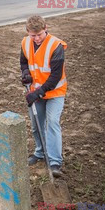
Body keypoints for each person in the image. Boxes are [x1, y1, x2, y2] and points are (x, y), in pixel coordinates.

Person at [19, 16, 67, 177]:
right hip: (36, 91)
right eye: (33, 35)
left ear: (46, 28)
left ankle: (54, 162)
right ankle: (40, 152)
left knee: (52, 122)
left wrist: (37, 93)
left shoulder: (56, 46)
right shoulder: (25, 43)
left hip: (54, 92)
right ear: (28, 32)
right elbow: (23, 62)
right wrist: (25, 73)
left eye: (39, 34)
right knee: (36, 124)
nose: (37, 38)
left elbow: (55, 77)